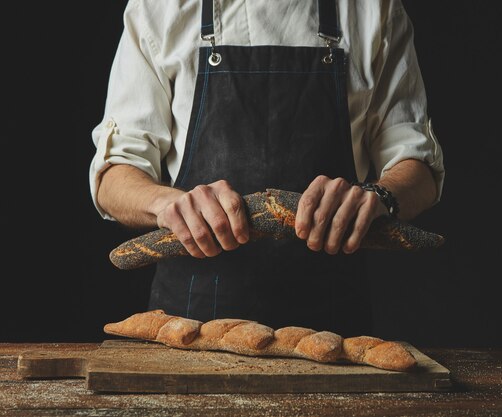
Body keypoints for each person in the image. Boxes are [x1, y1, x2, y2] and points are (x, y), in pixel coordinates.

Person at [89, 0, 445, 337]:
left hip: (334, 332)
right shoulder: (160, 8)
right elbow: (115, 175)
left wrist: (380, 195)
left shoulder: (372, 10)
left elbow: (420, 166)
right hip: (190, 326)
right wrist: (167, 205)